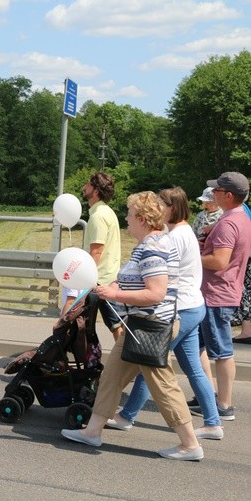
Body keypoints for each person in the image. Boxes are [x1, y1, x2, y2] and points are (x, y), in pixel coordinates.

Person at [62, 191, 203, 461]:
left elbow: (156, 293)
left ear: (141, 218)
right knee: (111, 377)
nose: (125, 218)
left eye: (128, 214)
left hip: (150, 327)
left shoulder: (152, 248)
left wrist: (114, 295)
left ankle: (190, 444)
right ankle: (92, 432)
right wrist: (110, 287)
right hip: (139, 326)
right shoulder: (150, 243)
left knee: (164, 386)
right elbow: (133, 281)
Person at [107, 187, 222, 439]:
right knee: (192, 368)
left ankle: (126, 416)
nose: (158, 208)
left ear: (172, 208)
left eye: (162, 204)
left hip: (180, 308)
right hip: (194, 305)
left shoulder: (174, 237)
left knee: (149, 361)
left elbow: (161, 275)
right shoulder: (185, 232)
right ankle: (213, 423)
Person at [191, 172, 251, 421]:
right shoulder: (240, 217)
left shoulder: (228, 223)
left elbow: (219, 261)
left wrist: (192, 257)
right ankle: (206, 396)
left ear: (228, 195)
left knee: (222, 351)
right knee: (197, 348)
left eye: (216, 190)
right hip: (221, 292)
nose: (212, 194)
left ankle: (224, 404)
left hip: (217, 294)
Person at [78, 171, 123, 339]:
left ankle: (126, 362)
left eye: (88, 184)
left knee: (116, 326)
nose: (84, 187)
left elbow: (96, 252)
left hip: (100, 281)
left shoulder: (98, 216)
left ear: (96, 191)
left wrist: (83, 279)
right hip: (107, 277)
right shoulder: (107, 211)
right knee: (114, 324)